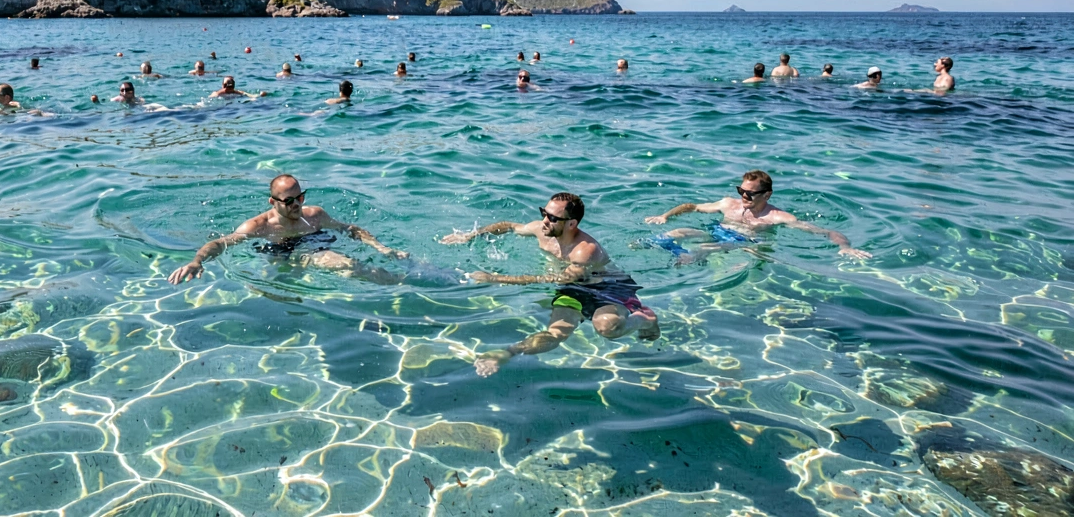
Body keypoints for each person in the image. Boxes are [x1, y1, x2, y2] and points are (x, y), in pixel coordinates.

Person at [441, 192, 658, 377]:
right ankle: (509, 353)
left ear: (571, 223)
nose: (545, 220)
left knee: (606, 327)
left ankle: (644, 318)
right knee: (556, 334)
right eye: (544, 212)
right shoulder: (541, 230)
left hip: (609, 289)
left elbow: (557, 279)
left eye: (553, 217)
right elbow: (509, 226)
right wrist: (471, 235)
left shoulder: (585, 250)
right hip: (573, 290)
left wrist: (496, 278)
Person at [167, 174, 409, 285]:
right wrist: (197, 261)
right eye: (289, 201)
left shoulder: (314, 215)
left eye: (300, 198)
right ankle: (402, 283)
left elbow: (351, 229)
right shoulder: (257, 226)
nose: (297, 205)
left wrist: (382, 247)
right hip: (278, 250)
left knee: (347, 265)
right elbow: (220, 243)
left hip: (314, 243)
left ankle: (400, 282)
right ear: (273, 203)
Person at [644, 169, 871, 262]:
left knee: (704, 250)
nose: (744, 196)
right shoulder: (727, 204)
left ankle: (685, 263)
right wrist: (665, 215)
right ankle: (647, 247)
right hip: (718, 232)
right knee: (676, 232)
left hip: (746, 243)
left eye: (750, 193)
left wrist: (845, 246)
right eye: (741, 190)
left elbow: (827, 232)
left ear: (767, 195)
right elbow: (691, 206)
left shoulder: (778, 217)